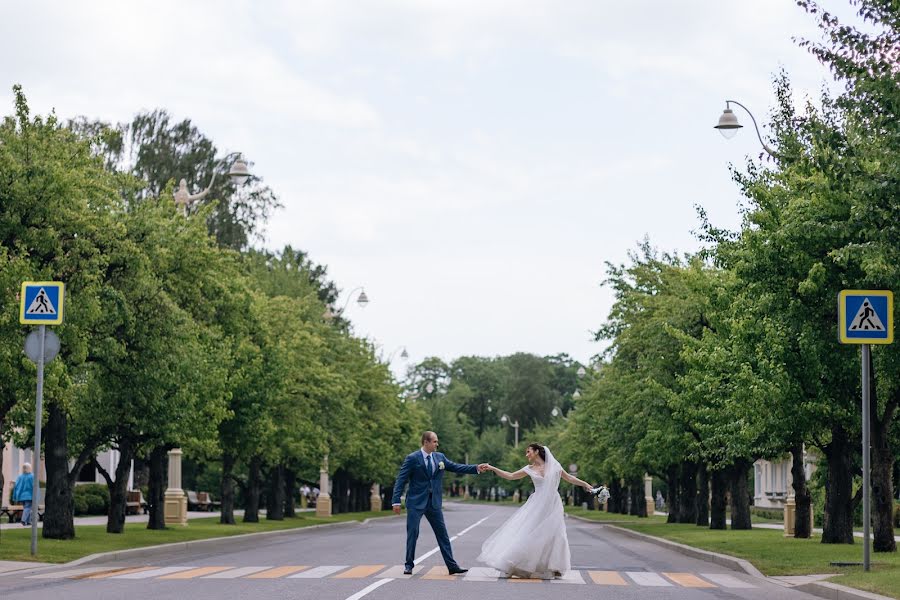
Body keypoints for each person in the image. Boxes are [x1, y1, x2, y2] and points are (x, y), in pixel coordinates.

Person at [478, 443, 594, 579]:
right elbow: (510, 476)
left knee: (556, 534)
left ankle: (555, 566)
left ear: (537, 451)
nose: (527, 455)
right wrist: (492, 468)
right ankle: (518, 563)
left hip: (553, 504)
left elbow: (569, 478)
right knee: (531, 533)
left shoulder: (554, 466)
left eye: (528, 452)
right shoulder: (529, 469)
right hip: (537, 504)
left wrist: (585, 484)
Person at [392, 431, 488, 575]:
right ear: (426, 442)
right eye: (435, 441)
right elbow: (401, 479)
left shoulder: (440, 457)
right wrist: (396, 501)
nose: (437, 444)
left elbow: (456, 466)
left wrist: (475, 468)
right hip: (416, 502)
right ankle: (408, 565)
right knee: (413, 533)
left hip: (434, 503)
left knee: (443, 535)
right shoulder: (412, 458)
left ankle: (452, 566)